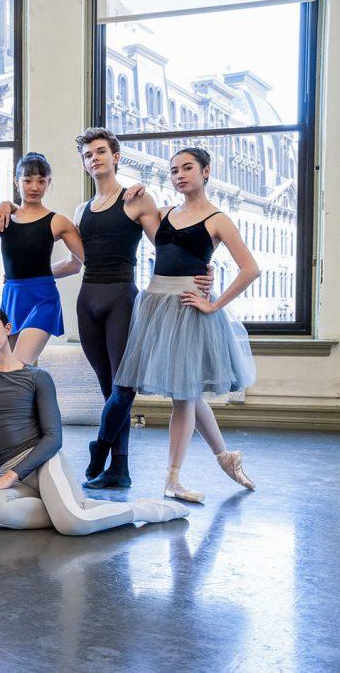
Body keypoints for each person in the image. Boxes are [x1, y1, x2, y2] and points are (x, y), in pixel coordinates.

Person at [0, 305, 189, 534]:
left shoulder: (36, 377)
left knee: (73, 525)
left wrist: (8, 477)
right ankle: (71, 505)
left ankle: (145, 511)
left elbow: (54, 438)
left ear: (7, 329)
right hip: (15, 478)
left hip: (43, 462)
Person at [112, 147, 258, 503]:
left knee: (183, 395)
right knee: (187, 391)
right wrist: (138, 187)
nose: (179, 175)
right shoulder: (163, 213)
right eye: (174, 170)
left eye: (187, 168)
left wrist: (213, 304)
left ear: (206, 172)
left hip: (187, 308)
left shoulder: (218, 219)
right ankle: (226, 457)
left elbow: (250, 269)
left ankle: (173, 479)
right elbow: (134, 215)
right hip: (156, 305)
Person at [71, 128, 212, 490]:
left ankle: (100, 447)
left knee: (124, 388)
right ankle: (119, 470)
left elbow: (169, 245)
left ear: (115, 157)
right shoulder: (81, 210)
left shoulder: (136, 200)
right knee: (108, 389)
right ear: (85, 164)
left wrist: (202, 269)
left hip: (122, 297)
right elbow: (75, 261)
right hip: (87, 300)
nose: (95, 158)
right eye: (89, 155)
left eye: (101, 151)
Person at [0, 152, 84, 364]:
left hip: (43, 298)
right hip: (12, 296)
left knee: (20, 363)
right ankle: (32, 397)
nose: (34, 187)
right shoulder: (4, 219)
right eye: (27, 180)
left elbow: (78, 264)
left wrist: (43, 273)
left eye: (41, 181)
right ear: (16, 182)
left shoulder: (58, 222)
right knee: (11, 365)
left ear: (49, 183)